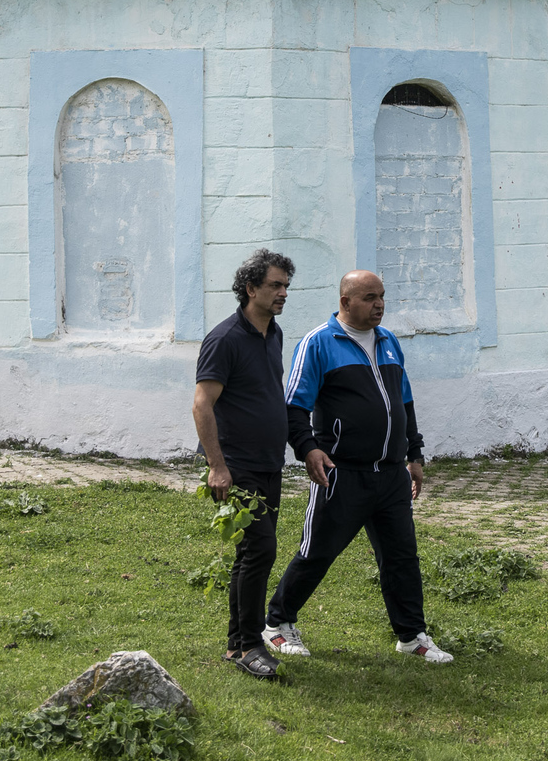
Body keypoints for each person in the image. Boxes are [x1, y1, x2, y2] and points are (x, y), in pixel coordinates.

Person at [263, 269, 453, 664]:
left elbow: (404, 403)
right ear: (345, 302)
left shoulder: (388, 342)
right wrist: (308, 450)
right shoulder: (319, 343)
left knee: (402, 556)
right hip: (340, 474)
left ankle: (411, 636)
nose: (379, 304)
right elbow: (294, 406)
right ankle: (277, 624)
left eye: (381, 296)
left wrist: (414, 455)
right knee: (318, 552)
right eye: (369, 297)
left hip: (391, 474)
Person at [193, 248, 294, 680]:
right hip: (237, 465)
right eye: (275, 285)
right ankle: (249, 644)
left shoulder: (274, 333)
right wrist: (217, 467)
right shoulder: (225, 339)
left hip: (270, 462)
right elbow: (202, 404)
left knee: (251, 553)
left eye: (286, 286)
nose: (282, 293)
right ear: (250, 288)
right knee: (261, 549)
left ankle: (238, 644)